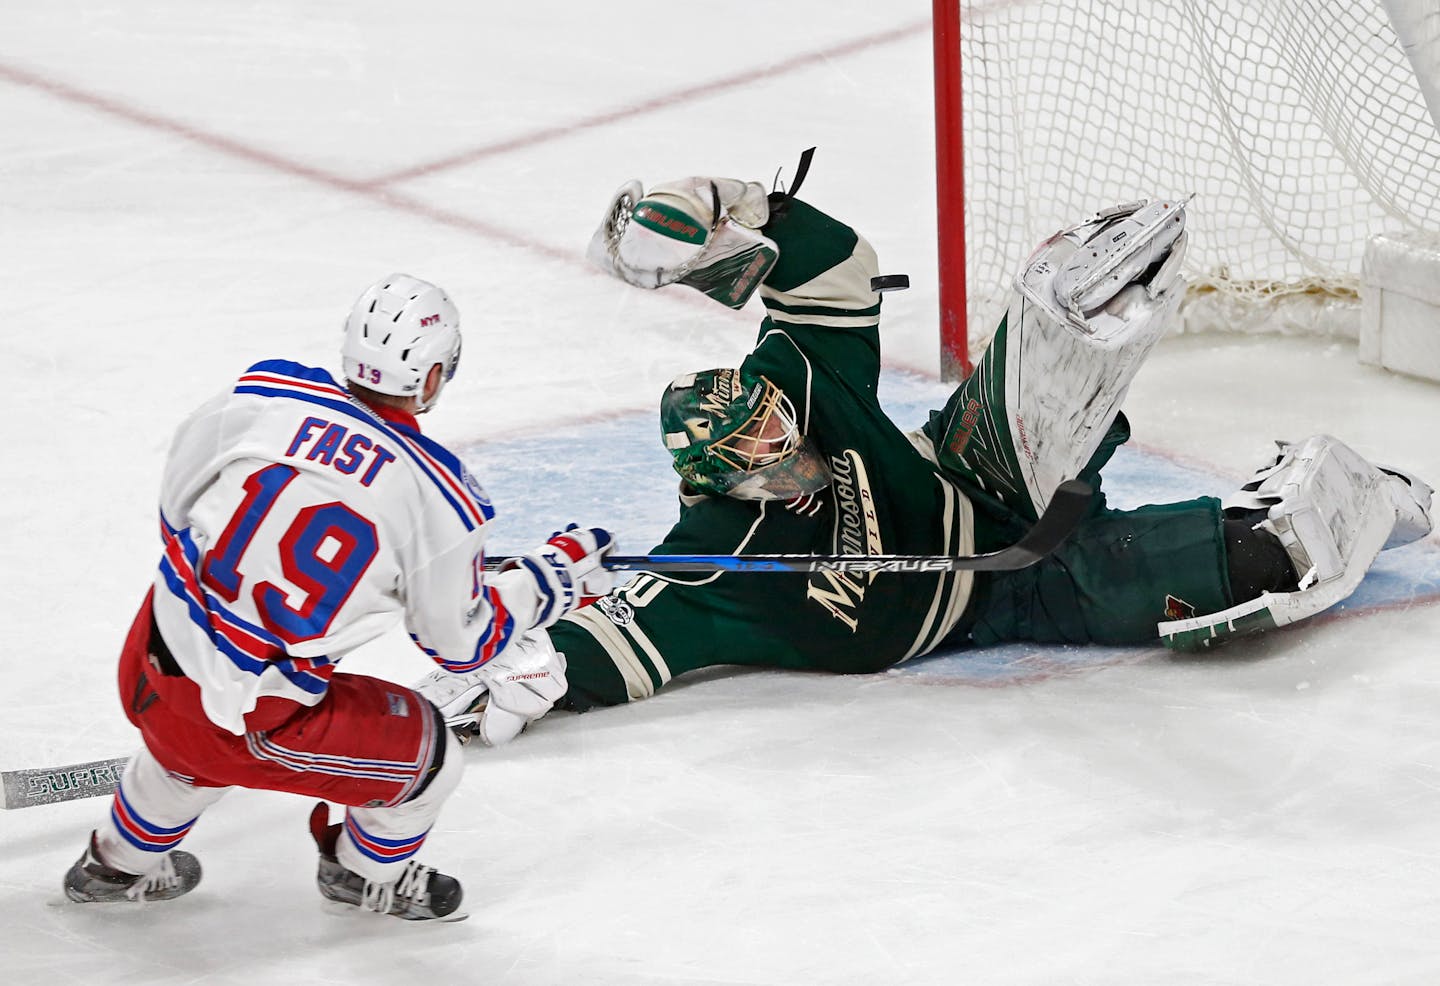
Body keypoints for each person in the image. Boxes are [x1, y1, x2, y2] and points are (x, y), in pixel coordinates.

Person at [419, 163, 1433, 739]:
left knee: (1081, 294)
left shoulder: (802, 386)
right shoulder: (706, 572)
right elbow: (611, 651)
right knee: (1280, 553)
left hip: (971, 469)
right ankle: (1364, 494)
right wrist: (527, 676)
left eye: (774, 422)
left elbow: (835, 271)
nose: (783, 440)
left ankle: (1389, 493)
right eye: (757, 446)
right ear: (713, 479)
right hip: (1018, 590)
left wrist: (744, 206)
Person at [62, 274, 614, 921]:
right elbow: (461, 646)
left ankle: (114, 864)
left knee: (187, 742)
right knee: (432, 759)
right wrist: (550, 579)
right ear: (435, 376)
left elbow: (180, 499)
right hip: (244, 719)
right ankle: (361, 875)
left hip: (147, 659)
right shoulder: (438, 498)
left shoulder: (265, 391)